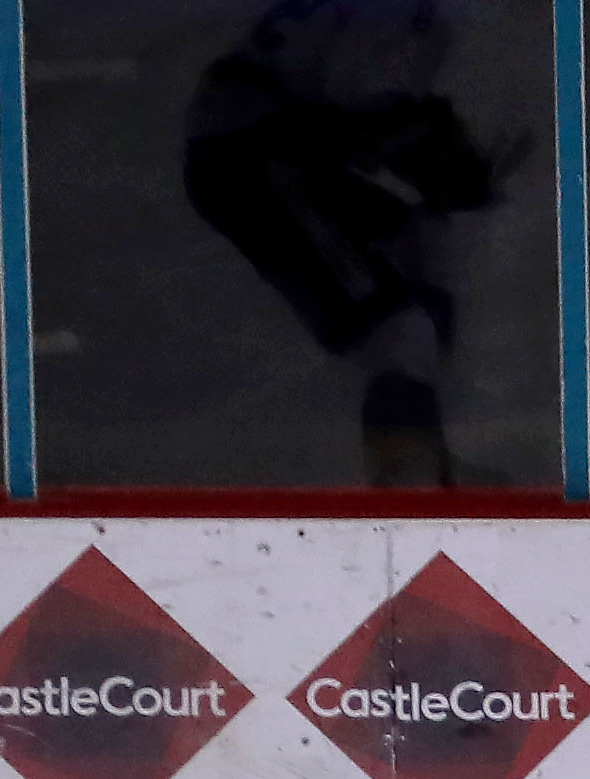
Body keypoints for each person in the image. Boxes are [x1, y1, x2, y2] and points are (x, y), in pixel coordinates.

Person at [181, 0, 501, 487]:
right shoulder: (409, 15)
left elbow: (352, 108)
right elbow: (355, 117)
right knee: (401, 332)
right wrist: (430, 147)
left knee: (423, 242)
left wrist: (425, 140)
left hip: (264, 151)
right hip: (254, 161)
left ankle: (418, 441)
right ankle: (405, 486)